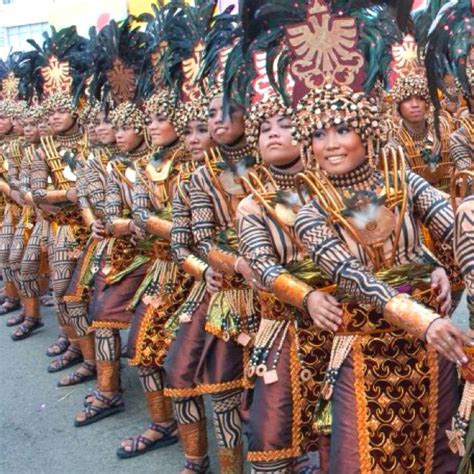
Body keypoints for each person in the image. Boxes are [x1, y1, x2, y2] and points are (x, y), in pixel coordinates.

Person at [294, 83, 472, 473]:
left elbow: (453, 222)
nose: (331, 144)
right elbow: (351, 276)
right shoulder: (310, 214)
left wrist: (442, 258)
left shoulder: (404, 183)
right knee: (365, 458)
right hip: (364, 351)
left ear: (368, 134)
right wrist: (423, 320)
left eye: (343, 129)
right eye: (318, 134)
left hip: (431, 350)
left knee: (439, 452)